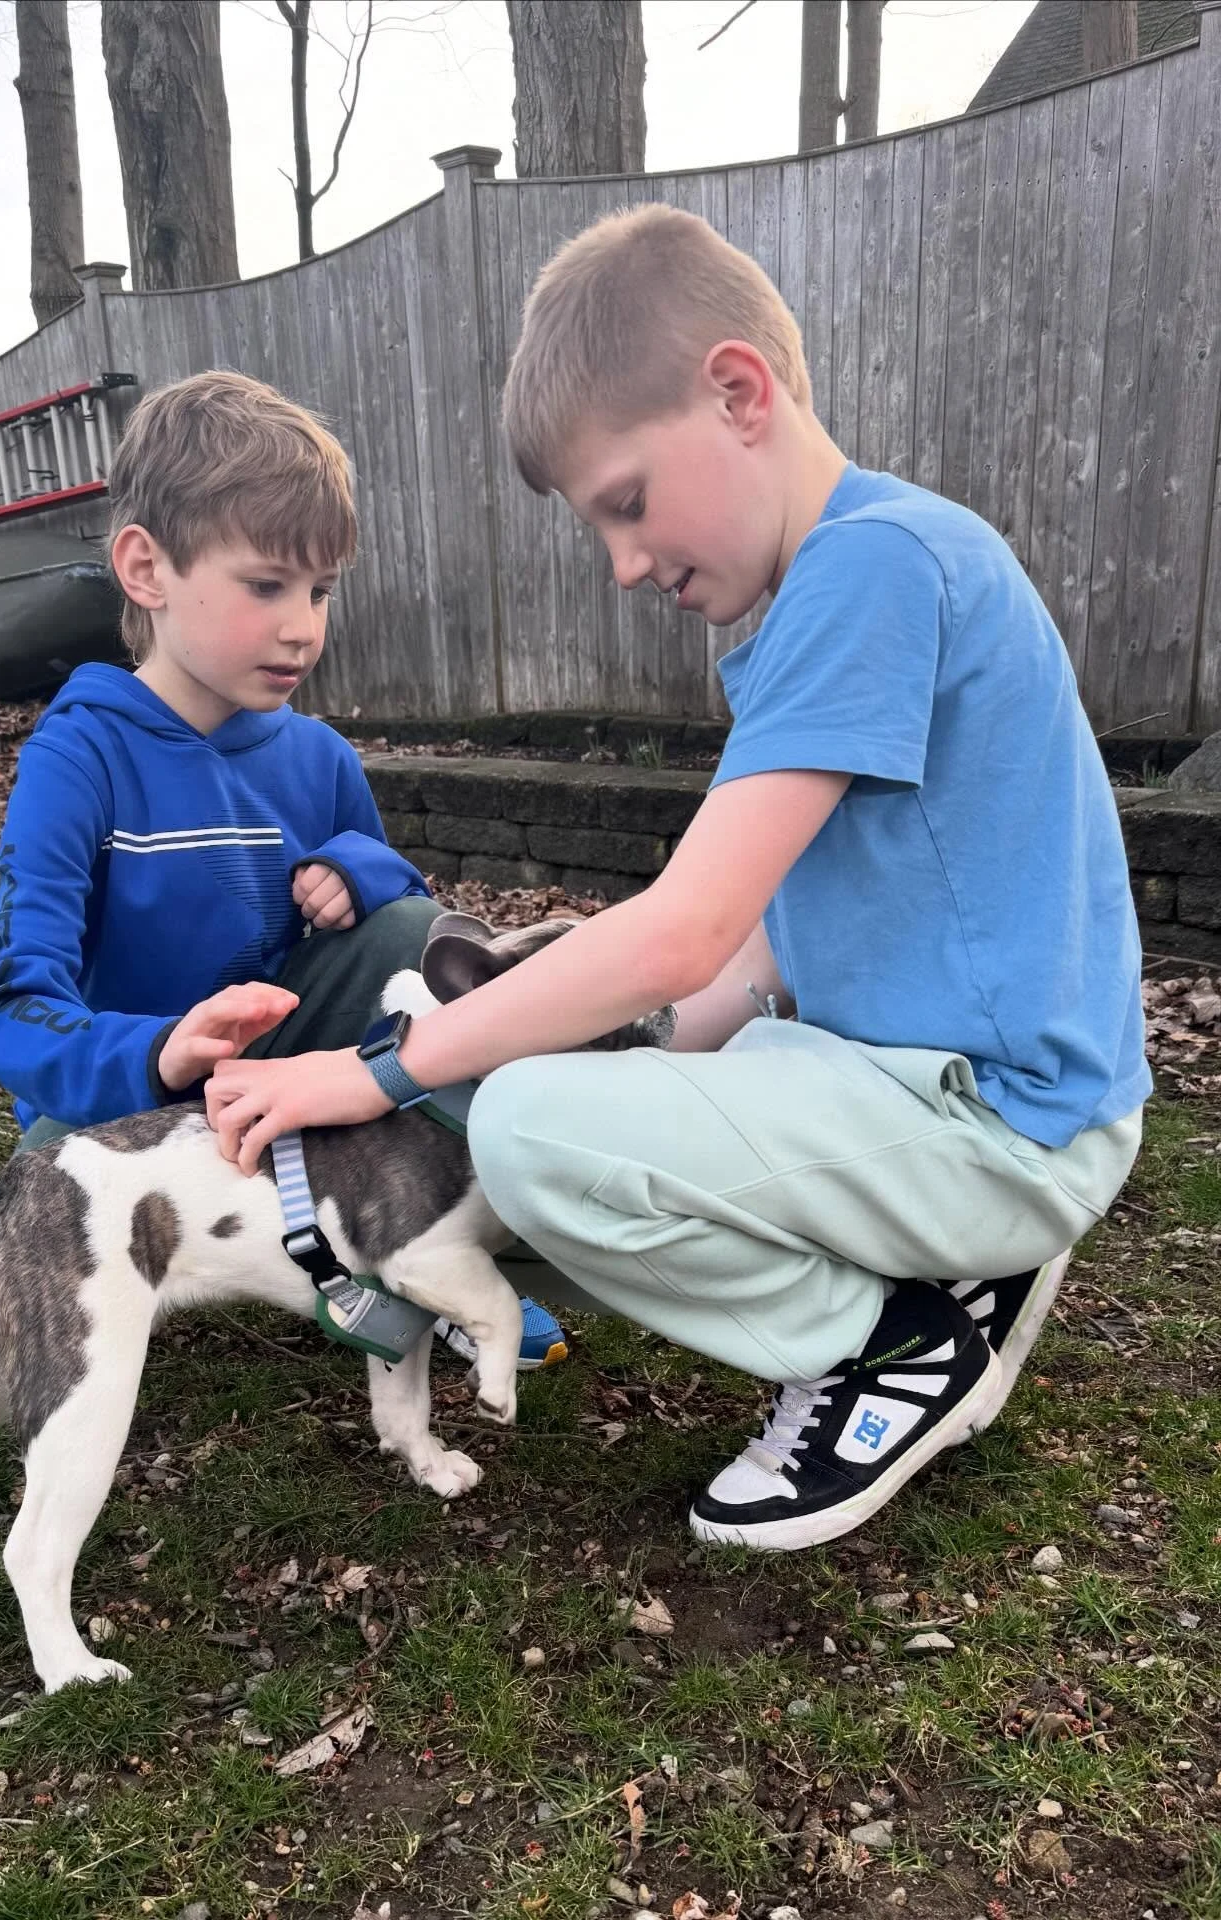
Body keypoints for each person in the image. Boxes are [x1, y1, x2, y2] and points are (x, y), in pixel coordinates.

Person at [199, 208, 1149, 1552]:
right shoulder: (872, 566)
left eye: (628, 502)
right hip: (958, 1093)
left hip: (1001, 1129)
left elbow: (683, 934)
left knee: (530, 1136)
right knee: (557, 1113)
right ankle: (956, 1266)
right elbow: (757, 949)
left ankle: (896, 1343)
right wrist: (626, 1069)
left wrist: (381, 1072)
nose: (625, 564)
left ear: (739, 393)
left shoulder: (869, 570)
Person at [0, 368, 569, 1371]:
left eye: (320, 591)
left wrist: (360, 871)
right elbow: (13, 1005)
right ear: (146, 570)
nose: (303, 626)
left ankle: (426, 1249)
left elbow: (402, 943)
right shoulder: (80, 757)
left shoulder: (317, 758)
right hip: (126, 1101)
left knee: (425, 944)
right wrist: (158, 1051)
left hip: (285, 1081)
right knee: (31, 1252)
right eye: (267, 585)